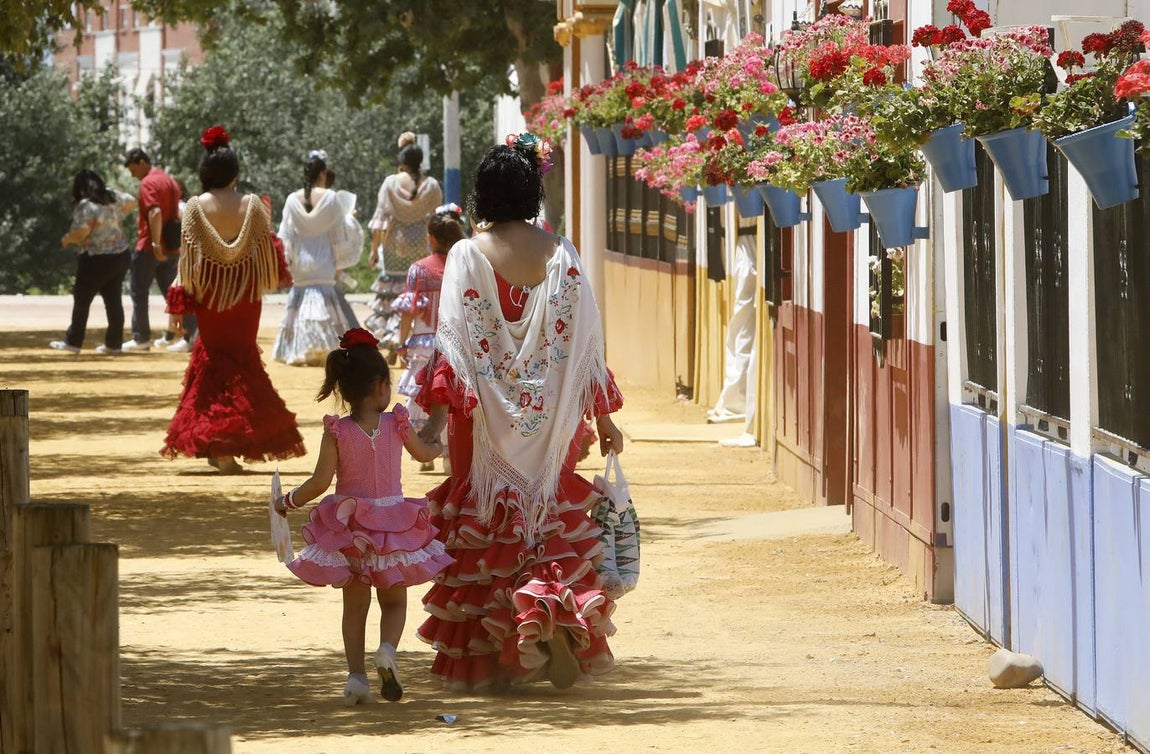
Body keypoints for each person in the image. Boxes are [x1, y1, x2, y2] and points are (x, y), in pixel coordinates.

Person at [414, 133, 626, 692]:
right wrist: (605, 419)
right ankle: (553, 611)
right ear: (533, 191)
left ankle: (496, 656)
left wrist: (433, 423)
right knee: (545, 521)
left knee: (487, 526)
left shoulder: (466, 255)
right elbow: (587, 347)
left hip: (483, 423)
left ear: (484, 193)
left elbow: (453, 347)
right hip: (551, 422)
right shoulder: (562, 253)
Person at [275, 327, 453, 706]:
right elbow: (425, 454)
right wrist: (437, 443)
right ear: (381, 387)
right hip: (393, 527)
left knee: (354, 609)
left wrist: (287, 500)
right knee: (394, 602)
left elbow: (319, 482)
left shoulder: (337, 432)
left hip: (351, 530)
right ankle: (387, 650)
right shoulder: (397, 424)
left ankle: (356, 678)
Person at [161, 125, 305, 474]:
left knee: (213, 360)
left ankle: (220, 445)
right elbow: (267, 254)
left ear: (205, 172)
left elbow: (187, 263)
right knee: (242, 361)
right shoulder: (253, 206)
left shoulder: (195, 208)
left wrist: (177, 308)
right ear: (235, 173)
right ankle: (230, 444)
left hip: (210, 294)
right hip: (244, 295)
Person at [393, 203, 466, 472]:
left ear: (431, 238)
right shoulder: (463, 268)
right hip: (455, 343)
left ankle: (425, 451)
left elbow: (409, 313)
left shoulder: (418, 269)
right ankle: (449, 456)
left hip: (424, 344)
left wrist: (401, 344)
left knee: (420, 396)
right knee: (450, 396)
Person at [271, 150, 362, 366]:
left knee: (300, 306)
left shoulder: (291, 200)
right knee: (325, 311)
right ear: (322, 174)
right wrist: (341, 257)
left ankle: (300, 348)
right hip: (324, 263)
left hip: (300, 264)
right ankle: (323, 348)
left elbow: (285, 236)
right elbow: (340, 233)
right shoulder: (331, 198)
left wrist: (287, 261)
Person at [365, 134, 443, 354]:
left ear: (402, 161)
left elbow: (381, 219)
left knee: (393, 290)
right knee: (415, 289)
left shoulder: (390, 183)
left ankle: (391, 339)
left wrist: (374, 250)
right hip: (422, 243)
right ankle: (410, 336)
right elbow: (437, 217)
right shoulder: (431, 185)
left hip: (394, 243)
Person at [49, 170, 136, 354]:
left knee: (82, 300)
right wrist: (116, 214)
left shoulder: (86, 205)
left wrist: (67, 239)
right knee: (113, 300)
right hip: (120, 255)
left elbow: (82, 232)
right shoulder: (113, 197)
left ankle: (73, 341)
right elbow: (131, 200)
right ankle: (114, 344)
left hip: (95, 258)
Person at [123, 148, 196, 352]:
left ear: (142, 162)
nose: (133, 175)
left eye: (133, 170)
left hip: (150, 246)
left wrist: (155, 244)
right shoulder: (169, 180)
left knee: (139, 291)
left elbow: (154, 212)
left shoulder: (148, 182)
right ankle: (192, 334)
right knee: (174, 294)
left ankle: (141, 337)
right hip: (172, 247)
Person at [153, 178, 198, 353]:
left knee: (180, 296)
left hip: (184, 256)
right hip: (185, 255)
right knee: (176, 296)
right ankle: (173, 335)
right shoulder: (185, 206)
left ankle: (188, 337)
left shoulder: (179, 207)